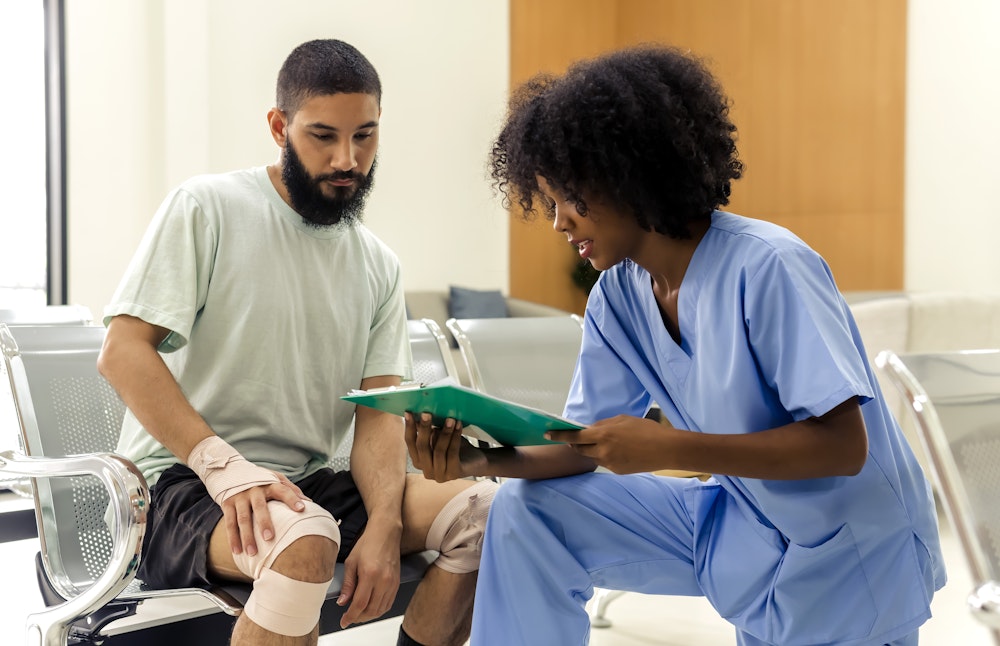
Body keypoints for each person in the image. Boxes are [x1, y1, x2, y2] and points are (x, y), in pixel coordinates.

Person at [406, 44, 945, 646]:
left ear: (625, 173)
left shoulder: (769, 265)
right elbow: (585, 446)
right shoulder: (618, 295)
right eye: (549, 203)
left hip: (849, 560)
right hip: (741, 526)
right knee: (529, 512)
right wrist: (480, 461)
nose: (558, 222)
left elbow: (844, 447)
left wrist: (669, 445)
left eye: (569, 199)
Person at [98, 39, 496, 646]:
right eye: (323, 136)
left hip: (303, 485)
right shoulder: (208, 207)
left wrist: (385, 523)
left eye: (365, 136)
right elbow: (122, 351)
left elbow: (379, 415)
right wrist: (224, 468)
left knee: (484, 514)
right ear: (279, 126)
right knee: (303, 540)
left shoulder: (378, 265)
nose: (347, 158)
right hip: (179, 486)